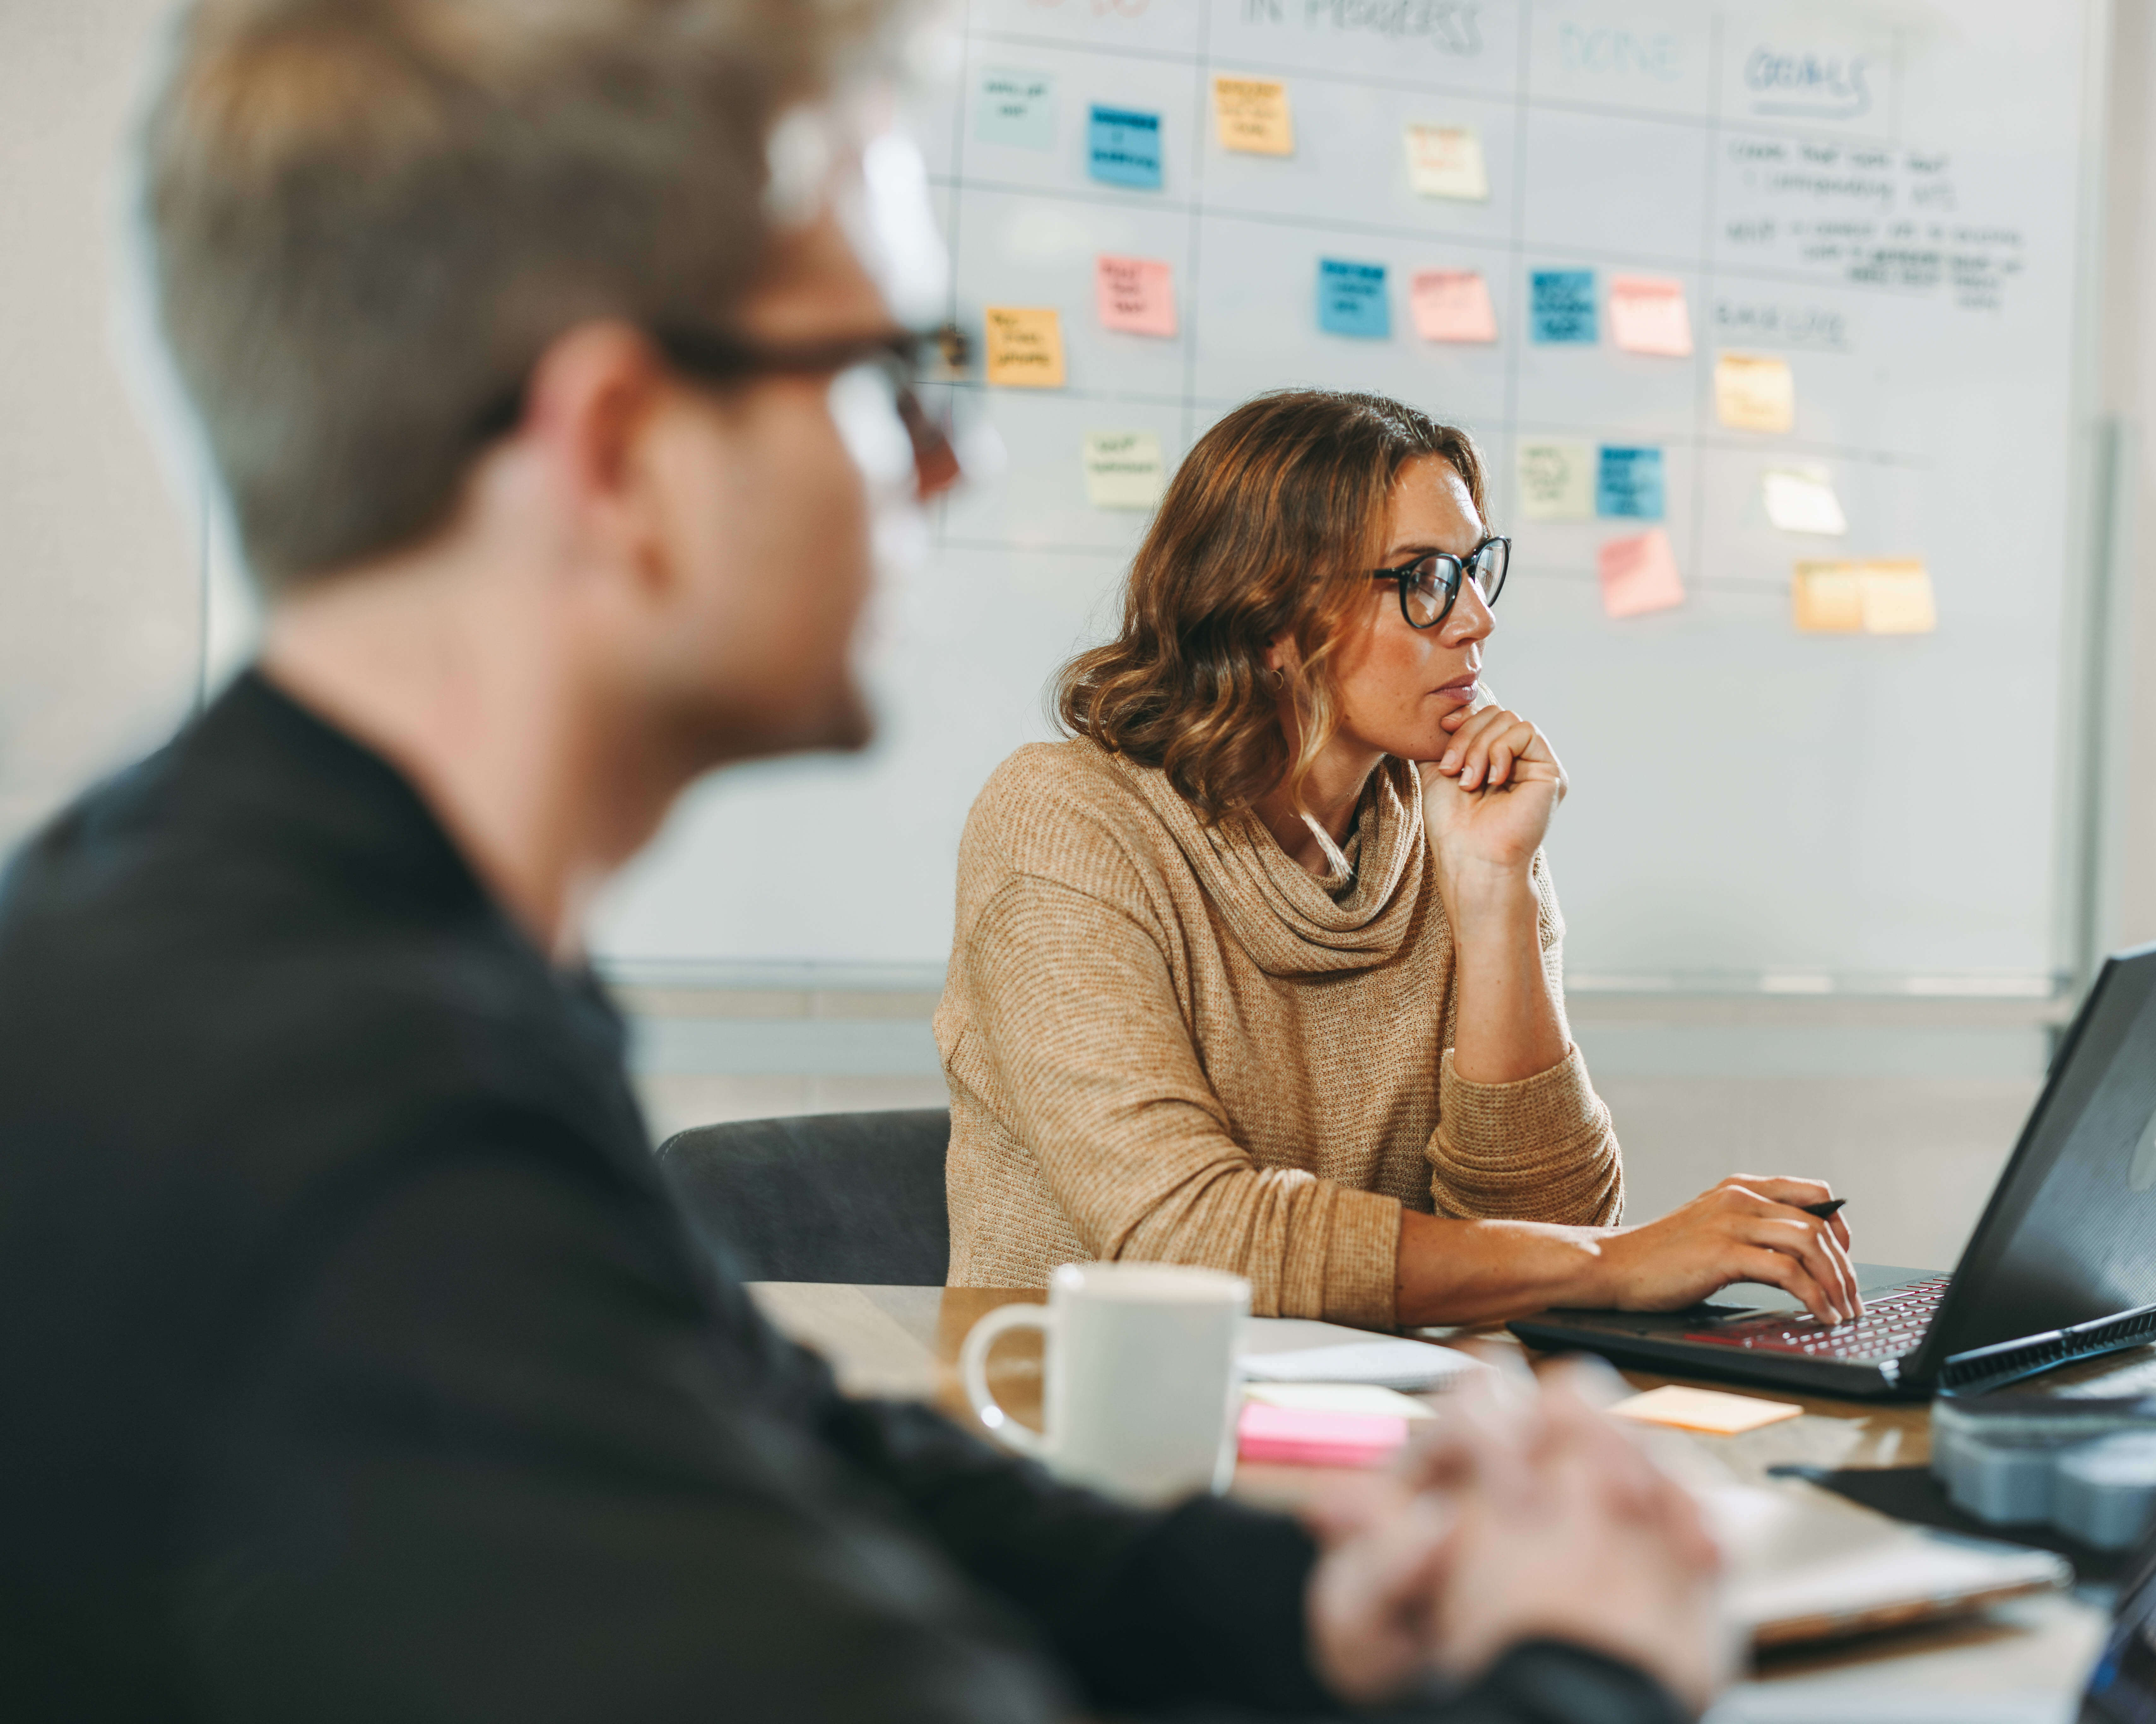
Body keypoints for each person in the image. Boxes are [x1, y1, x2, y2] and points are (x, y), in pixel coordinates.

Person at [0, 1, 1723, 1719]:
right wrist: (1587, 1664)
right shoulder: (352, 1124)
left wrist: (1322, 1598)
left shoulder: (316, 939)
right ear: (618, 449)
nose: (949, 456)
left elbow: (807, 1447)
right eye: (893, 375)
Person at [938, 392, 1864, 1331]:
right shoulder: (1065, 823)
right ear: (1273, 619)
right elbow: (1189, 1235)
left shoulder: (1455, 821)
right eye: (1424, 577)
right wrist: (1614, 1262)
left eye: (1473, 570)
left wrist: (1494, 888)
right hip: (1077, 1429)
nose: (1475, 621)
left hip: (1380, 1427)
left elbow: (1542, 1238)